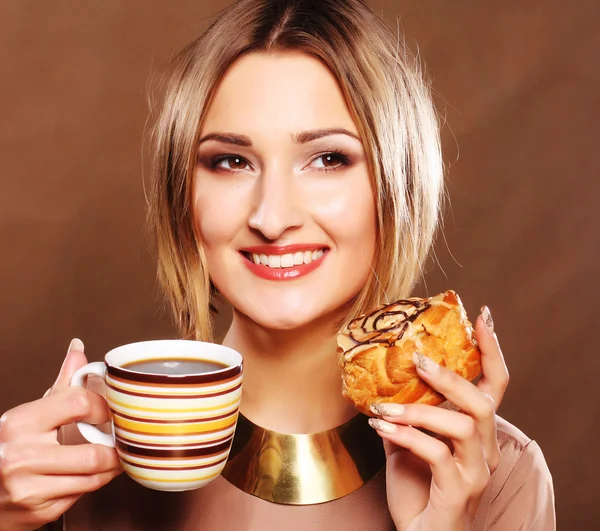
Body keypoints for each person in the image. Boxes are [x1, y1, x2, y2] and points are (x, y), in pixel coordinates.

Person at [0, 0, 555, 529]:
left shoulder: (499, 478)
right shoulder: (60, 459)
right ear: (184, 199)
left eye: (327, 158)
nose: (272, 215)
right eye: (232, 161)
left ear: (395, 185)